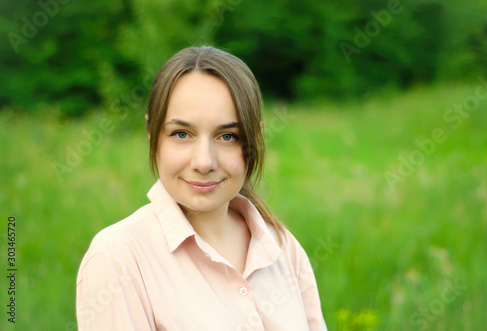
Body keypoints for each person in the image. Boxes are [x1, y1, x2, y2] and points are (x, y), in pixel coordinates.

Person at [76, 46, 327, 330]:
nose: (204, 162)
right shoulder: (117, 258)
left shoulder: (283, 247)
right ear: (152, 134)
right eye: (181, 134)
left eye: (228, 136)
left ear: (255, 138)